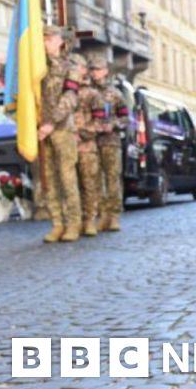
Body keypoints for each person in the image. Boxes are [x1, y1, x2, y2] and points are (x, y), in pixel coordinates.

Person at [38, 26, 82, 243]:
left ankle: (73, 223)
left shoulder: (70, 66)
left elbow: (70, 98)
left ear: (60, 42)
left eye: (49, 38)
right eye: (43, 38)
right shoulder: (36, 66)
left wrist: (50, 123)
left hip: (62, 128)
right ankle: (57, 223)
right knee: (48, 179)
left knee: (67, 178)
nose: (45, 41)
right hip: (40, 131)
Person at [89, 57, 129, 232]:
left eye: (98, 69)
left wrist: (114, 124)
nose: (94, 73)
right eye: (92, 70)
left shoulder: (115, 94)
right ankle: (101, 214)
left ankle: (114, 216)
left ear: (105, 71)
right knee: (95, 180)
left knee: (113, 179)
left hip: (111, 141)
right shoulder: (88, 92)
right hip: (91, 141)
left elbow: (126, 118)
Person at [71, 54, 103, 236]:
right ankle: (74, 221)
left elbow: (99, 121)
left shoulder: (93, 93)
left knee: (89, 184)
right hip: (68, 144)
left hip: (87, 145)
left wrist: (82, 134)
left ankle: (90, 220)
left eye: (76, 66)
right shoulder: (66, 90)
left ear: (83, 70)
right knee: (71, 185)